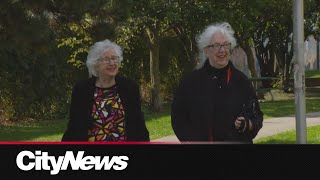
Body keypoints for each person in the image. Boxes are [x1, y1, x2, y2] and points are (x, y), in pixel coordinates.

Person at [171, 22, 263, 143]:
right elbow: (178, 119)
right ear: (206, 50)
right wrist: (189, 140)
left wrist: (246, 124)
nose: (222, 50)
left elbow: (256, 118)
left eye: (226, 45)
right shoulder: (190, 82)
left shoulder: (241, 81)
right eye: (217, 45)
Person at [62, 39, 150, 142]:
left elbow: (138, 122)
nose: (112, 63)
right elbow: (74, 124)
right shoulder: (82, 89)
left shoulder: (130, 87)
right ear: (96, 63)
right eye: (106, 59)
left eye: (114, 58)